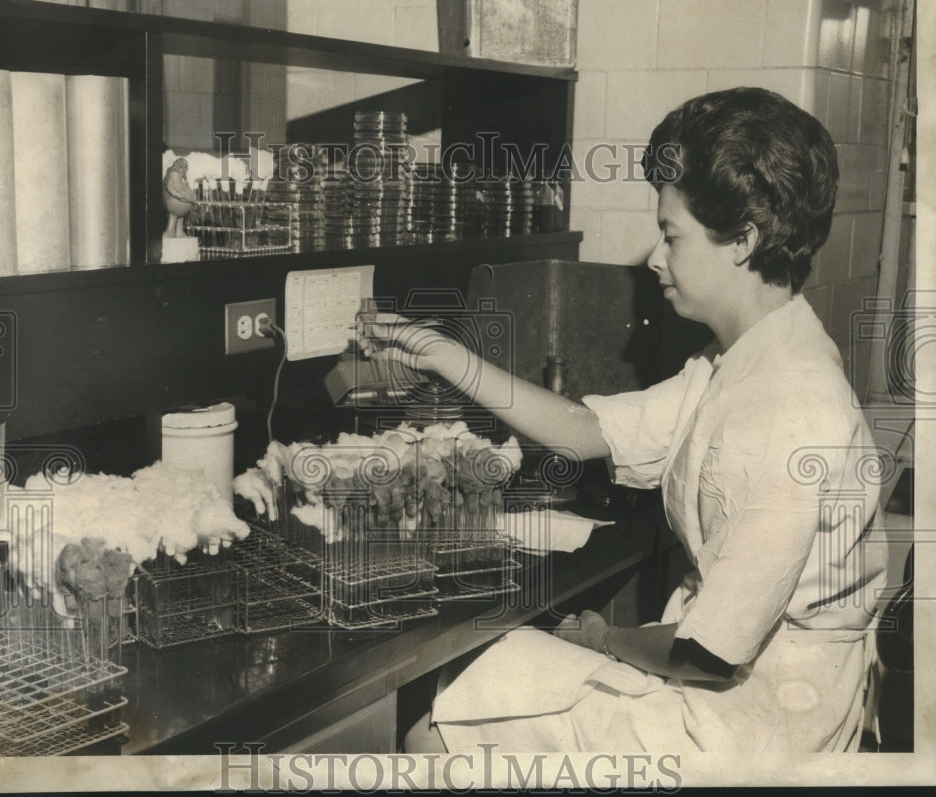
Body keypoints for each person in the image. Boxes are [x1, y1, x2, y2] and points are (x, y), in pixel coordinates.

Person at [361, 87, 889, 753]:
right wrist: (449, 358)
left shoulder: (788, 404)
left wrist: (603, 640)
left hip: (748, 736)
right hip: (749, 702)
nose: (657, 258)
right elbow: (588, 431)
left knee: (441, 696)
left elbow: (709, 655)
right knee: (481, 674)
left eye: (672, 235)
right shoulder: (759, 351)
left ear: (744, 240)